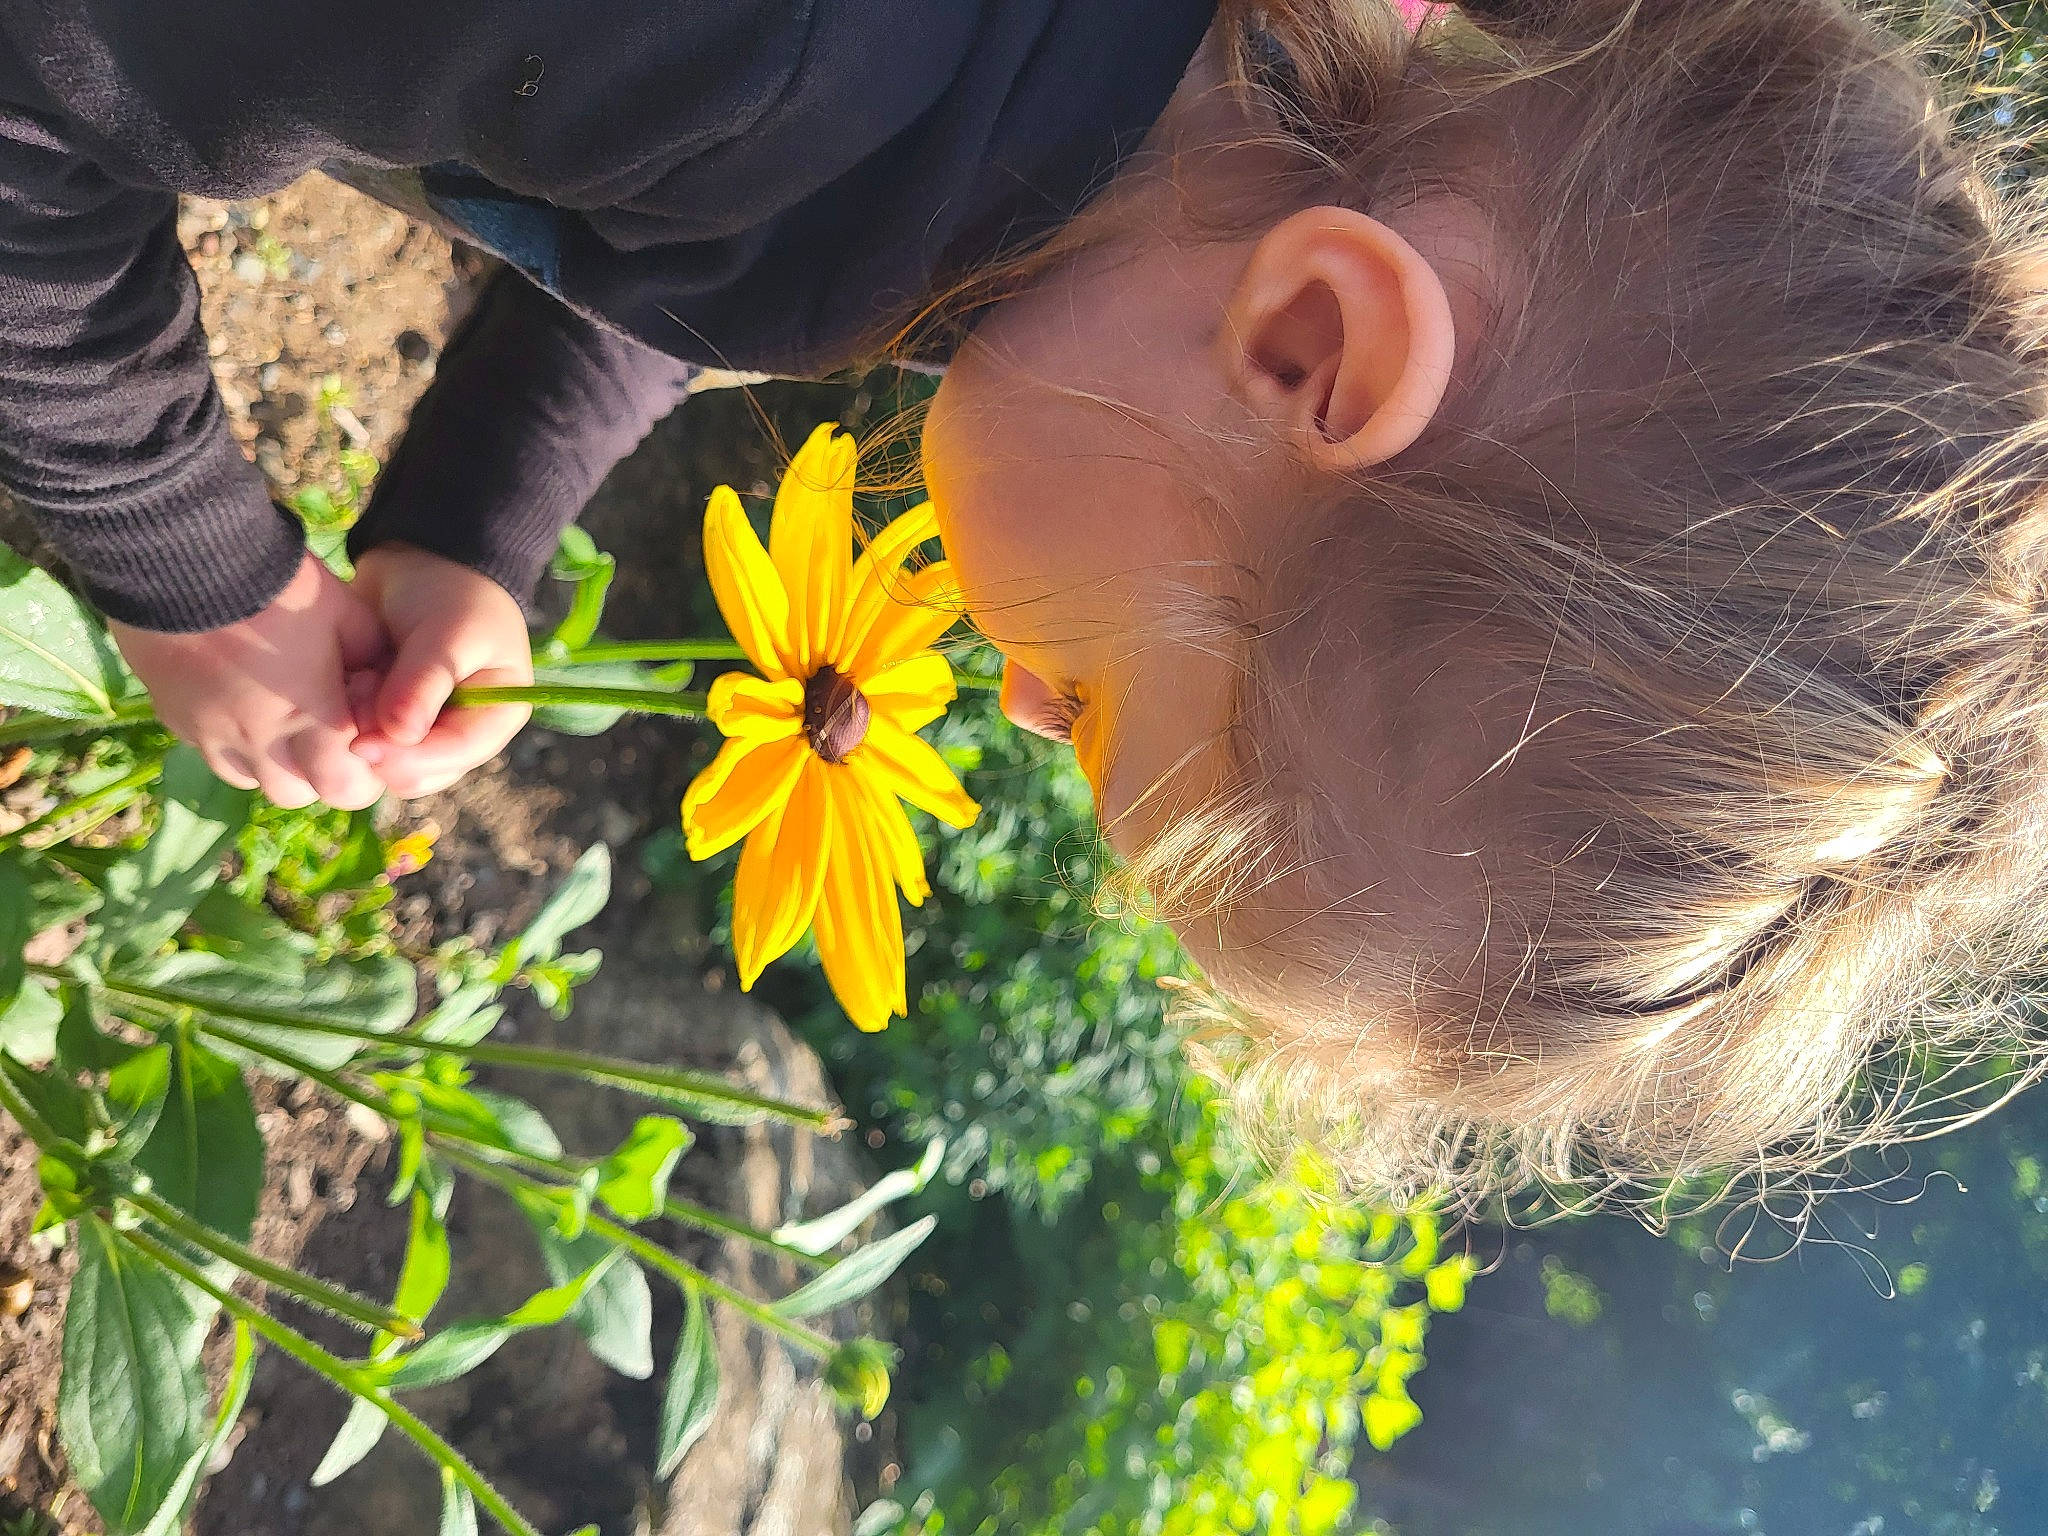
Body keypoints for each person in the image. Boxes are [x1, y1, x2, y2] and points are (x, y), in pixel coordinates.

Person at [5, 0, 2046, 1201]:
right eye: (1104, 708)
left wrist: (477, 512)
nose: (1028, 712)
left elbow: (729, 238)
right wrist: (196, 569)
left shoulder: (1098, 110)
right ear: (1311, 356)